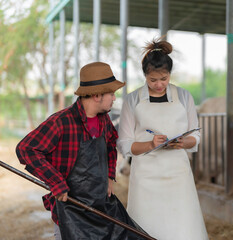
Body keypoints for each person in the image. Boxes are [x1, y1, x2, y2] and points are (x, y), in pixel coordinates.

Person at [16, 62, 149, 240]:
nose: (114, 98)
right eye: (111, 93)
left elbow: (110, 143)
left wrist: (110, 175)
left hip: (101, 206)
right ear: (96, 96)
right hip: (70, 210)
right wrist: (56, 182)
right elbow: (26, 149)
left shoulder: (104, 121)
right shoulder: (61, 122)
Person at [117, 39, 209, 240]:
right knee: (145, 225)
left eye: (164, 79)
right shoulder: (132, 100)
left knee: (182, 226)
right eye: (153, 80)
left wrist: (184, 142)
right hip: (146, 176)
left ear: (170, 75)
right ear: (145, 76)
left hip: (177, 173)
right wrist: (150, 144)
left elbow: (196, 136)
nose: (159, 85)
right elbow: (124, 143)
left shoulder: (184, 97)